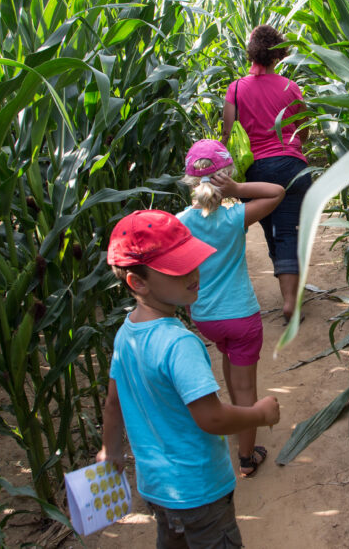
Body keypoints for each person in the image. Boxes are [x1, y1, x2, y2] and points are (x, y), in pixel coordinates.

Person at [97, 209, 281, 548]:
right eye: (177, 269)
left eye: (192, 262)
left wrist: (111, 450)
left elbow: (113, 402)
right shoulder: (180, 343)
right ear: (137, 283)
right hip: (200, 490)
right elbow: (211, 417)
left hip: (157, 489)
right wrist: (261, 413)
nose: (194, 273)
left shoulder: (126, 334)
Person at [177, 139, 285, 477]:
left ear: (191, 183)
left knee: (227, 358)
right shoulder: (236, 217)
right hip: (241, 317)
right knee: (245, 389)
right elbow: (276, 192)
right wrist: (238, 188)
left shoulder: (181, 223)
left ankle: (236, 427)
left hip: (207, 319)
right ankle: (246, 457)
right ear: (225, 178)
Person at [221, 25, 311, 324]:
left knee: (274, 231)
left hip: (259, 170)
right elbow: (304, 128)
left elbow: (228, 133)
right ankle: (290, 301)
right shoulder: (290, 87)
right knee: (289, 231)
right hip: (293, 165)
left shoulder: (235, 89)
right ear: (279, 53)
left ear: (251, 52)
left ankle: (288, 297)